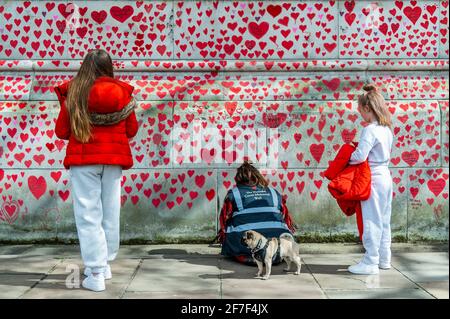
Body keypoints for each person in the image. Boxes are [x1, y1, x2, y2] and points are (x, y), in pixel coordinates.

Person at [54, 49, 139, 291]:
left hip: (84, 160)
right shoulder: (122, 92)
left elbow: (61, 132)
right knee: (110, 212)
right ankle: (106, 262)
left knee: (88, 215)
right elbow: (131, 130)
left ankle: (96, 272)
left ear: (85, 68)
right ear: (108, 67)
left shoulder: (76, 92)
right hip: (113, 160)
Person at [347, 83, 394, 275]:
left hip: (372, 178)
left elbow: (360, 156)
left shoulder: (370, 130)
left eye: (360, 110)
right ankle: (384, 259)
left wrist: (346, 159)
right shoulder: (387, 129)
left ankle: (370, 261)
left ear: (368, 108)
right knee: (384, 220)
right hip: (386, 176)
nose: (359, 114)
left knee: (371, 220)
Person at [217, 161, 296, 265]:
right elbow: (286, 218)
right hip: (278, 250)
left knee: (230, 226)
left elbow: (224, 219)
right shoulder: (273, 192)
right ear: (258, 176)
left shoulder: (234, 193)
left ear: (238, 178)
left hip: (245, 251)